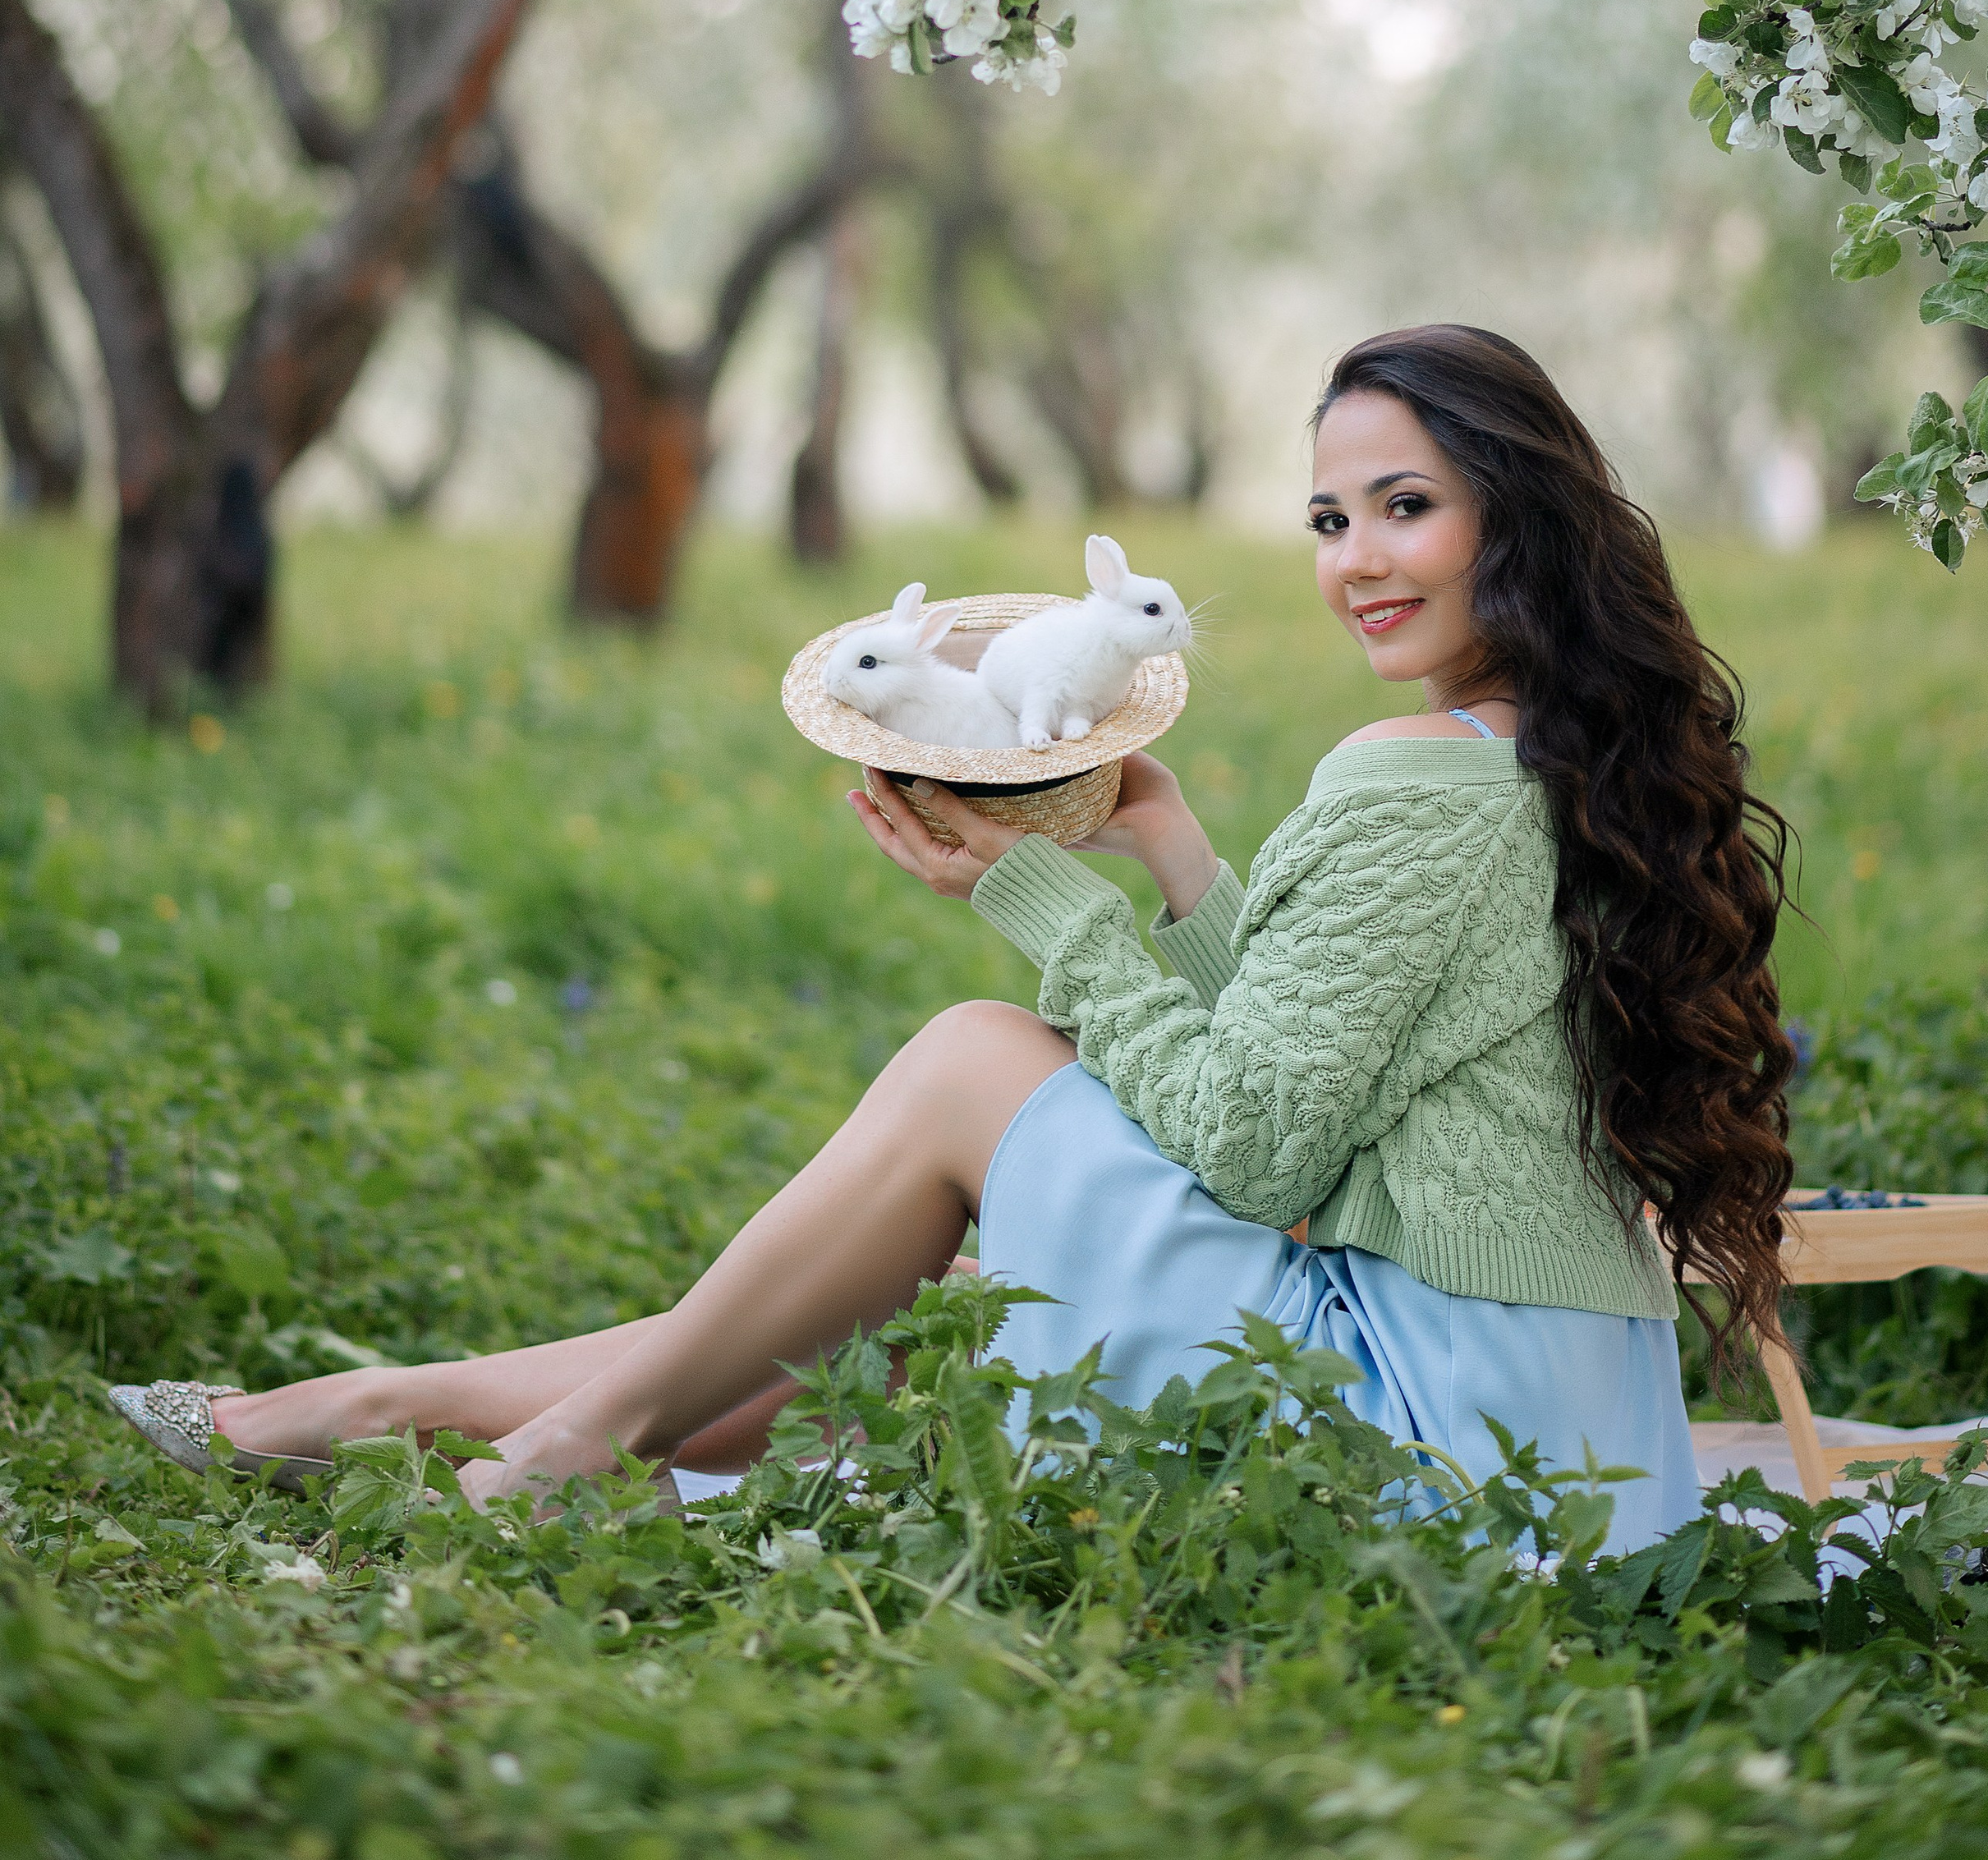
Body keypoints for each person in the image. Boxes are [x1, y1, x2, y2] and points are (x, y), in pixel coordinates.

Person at [111, 325, 1793, 1544]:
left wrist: (1035, 896)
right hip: (1576, 1463)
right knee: (947, 1294)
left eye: (1403, 505)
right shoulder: (1554, 763)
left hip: (1444, 1462)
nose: (1356, 560)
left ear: (1515, 513)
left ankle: (539, 1446)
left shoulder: (1416, 780)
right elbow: (1329, 1057)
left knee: (973, 1060)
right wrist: (1169, 844)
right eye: (1329, 519)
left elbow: (1260, 1142)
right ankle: (388, 1411)